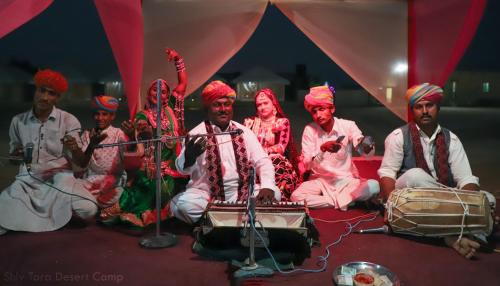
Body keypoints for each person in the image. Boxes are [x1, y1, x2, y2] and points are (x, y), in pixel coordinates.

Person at [378, 83, 498, 259]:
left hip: (445, 203)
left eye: (429, 105)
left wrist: (472, 207)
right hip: (411, 199)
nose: (425, 111)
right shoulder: (398, 136)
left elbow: (466, 179)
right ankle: (471, 231)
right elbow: (387, 173)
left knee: (489, 200)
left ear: (438, 107)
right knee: (415, 175)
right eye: (419, 106)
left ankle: (450, 236)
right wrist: (390, 207)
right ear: (413, 110)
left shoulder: (452, 140)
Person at [0, 69, 97, 235]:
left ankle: (35, 214)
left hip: (59, 178)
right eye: (41, 90)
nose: (44, 97)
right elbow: (14, 158)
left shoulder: (68, 120)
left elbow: (81, 162)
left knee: (89, 208)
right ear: (35, 90)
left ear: (57, 97)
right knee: (4, 206)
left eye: (51, 93)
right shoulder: (18, 121)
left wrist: (74, 147)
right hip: (28, 179)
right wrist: (17, 154)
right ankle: (48, 214)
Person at [170, 80, 280, 225]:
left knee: (275, 192)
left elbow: (262, 161)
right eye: (217, 105)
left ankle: (216, 221)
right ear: (207, 108)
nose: (223, 109)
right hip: (206, 195)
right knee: (182, 205)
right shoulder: (196, 134)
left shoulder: (243, 132)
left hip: (243, 193)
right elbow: (182, 170)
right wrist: (188, 157)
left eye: (227, 104)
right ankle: (241, 219)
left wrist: (267, 186)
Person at [99, 48, 187, 228]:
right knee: (148, 184)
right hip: (151, 165)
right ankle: (129, 208)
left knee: (170, 188)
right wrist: (142, 132)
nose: (159, 94)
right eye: (155, 90)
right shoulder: (143, 115)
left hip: (174, 165)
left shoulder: (171, 108)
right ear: (149, 93)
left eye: (163, 91)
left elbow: (183, 84)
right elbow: (139, 142)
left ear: (167, 96)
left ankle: (147, 213)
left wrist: (179, 60)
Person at [290, 85, 379, 210]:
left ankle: (338, 199)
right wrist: (322, 149)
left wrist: (365, 145)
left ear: (332, 109)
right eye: (314, 111)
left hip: (345, 180)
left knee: (374, 186)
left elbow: (365, 152)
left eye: (321, 109)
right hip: (319, 181)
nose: (317, 115)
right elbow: (307, 165)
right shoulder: (309, 130)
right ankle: (344, 200)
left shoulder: (348, 125)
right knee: (296, 197)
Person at [61, 95, 127, 208]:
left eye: (104, 114)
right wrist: (74, 148)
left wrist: (130, 135)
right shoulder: (87, 134)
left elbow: (131, 158)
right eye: (97, 114)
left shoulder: (119, 134)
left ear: (113, 116)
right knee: (69, 193)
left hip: (113, 183)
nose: (100, 118)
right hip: (90, 181)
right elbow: (82, 163)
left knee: (119, 195)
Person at [243, 88, 300, 201]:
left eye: (266, 103)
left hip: (274, 158)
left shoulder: (282, 122)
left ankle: (277, 196)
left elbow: (281, 147)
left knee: (277, 163)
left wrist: (263, 152)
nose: (262, 107)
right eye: (259, 104)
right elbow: (245, 144)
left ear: (273, 104)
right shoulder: (249, 122)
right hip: (253, 159)